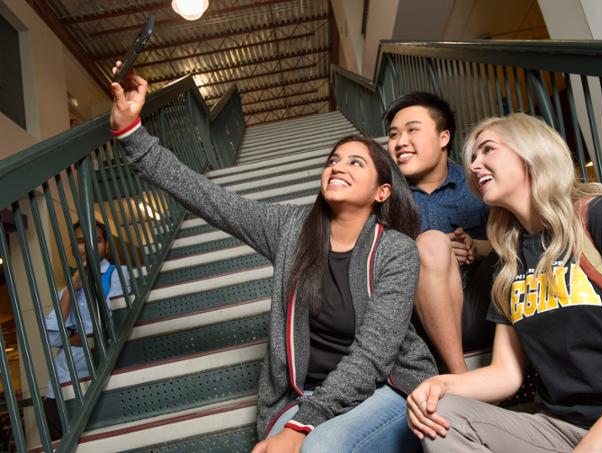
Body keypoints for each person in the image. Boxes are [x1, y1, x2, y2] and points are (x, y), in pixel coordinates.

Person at [109, 66, 436, 453]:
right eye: (334, 159)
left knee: (320, 447)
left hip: (388, 385)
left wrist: (301, 427)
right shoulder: (290, 230)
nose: (337, 166)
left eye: (355, 163)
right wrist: (131, 134)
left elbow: (372, 357)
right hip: (302, 395)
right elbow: (208, 198)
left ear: (381, 193)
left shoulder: (395, 250)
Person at [407, 112, 602, 452]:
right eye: (472, 158)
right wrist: (439, 384)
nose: (475, 166)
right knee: (442, 415)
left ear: (531, 151)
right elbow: (507, 373)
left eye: (488, 150)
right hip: (561, 430)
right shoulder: (509, 261)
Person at [384, 92, 495, 374]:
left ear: (443, 138)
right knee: (430, 243)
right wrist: (425, 252)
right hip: (417, 318)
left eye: (412, 130)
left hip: (483, 305)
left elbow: (516, 238)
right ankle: (458, 375)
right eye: (394, 135)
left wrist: (475, 247)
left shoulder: (479, 182)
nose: (400, 142)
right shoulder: (383, 198)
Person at [44, 221, 129, 440]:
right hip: (59, 388)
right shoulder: (67, 289)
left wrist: (71, 337)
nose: (88, 246)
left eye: (96, 240)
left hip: (96, 381)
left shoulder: (117, 275)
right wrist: (73, 288)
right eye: (81, 241)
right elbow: (52, 336)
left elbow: (110, 329)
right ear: (73, 248)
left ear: (106, 247)